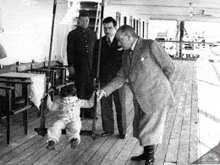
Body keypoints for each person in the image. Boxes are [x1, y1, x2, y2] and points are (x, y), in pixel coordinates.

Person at [97, 25, 175, 165]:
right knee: (140, 127)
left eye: (120, 40)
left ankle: (150, 159)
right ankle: (146, 154)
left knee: (149, 129)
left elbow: (169, 67)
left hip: (156, 96)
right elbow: (121, 76)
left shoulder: (150, 45)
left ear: (129, 36)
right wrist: (105, 90)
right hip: (140, 97)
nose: (119, 44)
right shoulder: (126, 54)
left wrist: (160, 86)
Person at [93, 17, 127, 139]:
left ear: (115, 27)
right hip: (104, 78)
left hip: (118, 79)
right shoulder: (99, 43)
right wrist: (95, 77)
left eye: (110, 28)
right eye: (105, 28)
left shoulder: (121, 42)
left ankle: (123, 131)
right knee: (105, 106)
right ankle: (108, 129)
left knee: (120, 106)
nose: (107, 31)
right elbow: (95, 61)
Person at [67, 10, 96, 119]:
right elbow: (69, 51)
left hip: (90, 67)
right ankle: (78, 113)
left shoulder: (92, 34)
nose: (85, 23)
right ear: (78, 21)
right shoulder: (72, 34)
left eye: (87, 20)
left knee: (90, 89)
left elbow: (95, 51)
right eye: (82, 21)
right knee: (80, 90)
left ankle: (90, 113)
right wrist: (70, 65)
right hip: (79, 67)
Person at [46, 86, 95, 150]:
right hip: (62, 120)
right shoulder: (60, 102)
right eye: (64, 99)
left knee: (75, 127)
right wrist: (48, 98)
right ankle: (52, 141)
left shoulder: (78, 102)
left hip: (74, 120)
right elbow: (51, 107)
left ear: (75, 97)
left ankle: (74, 140)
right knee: (55, 126)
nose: (67, 102)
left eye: (69, 99)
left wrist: (94, 95)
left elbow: (89, 104)